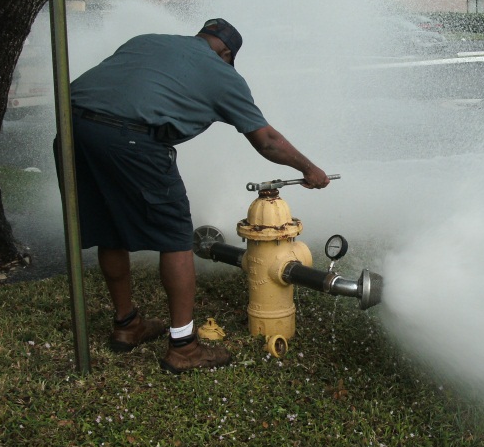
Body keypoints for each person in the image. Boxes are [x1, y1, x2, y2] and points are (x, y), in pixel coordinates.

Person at [61, 18, 330, 374]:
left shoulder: (149, 38)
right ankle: (184, 347)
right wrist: (309, 169)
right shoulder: (222, 73)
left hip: (72, 129)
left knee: (110, 226)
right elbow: (266, 140)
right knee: (175, 238)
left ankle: (127, 325)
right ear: (226, 53)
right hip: (131, 141)